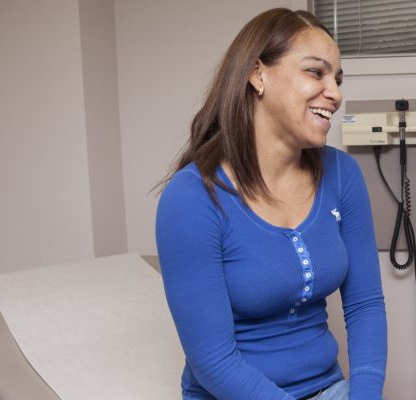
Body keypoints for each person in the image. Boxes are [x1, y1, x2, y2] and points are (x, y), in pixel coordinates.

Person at [155, 8, 387, 400]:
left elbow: (365, 305)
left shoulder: (343, 175)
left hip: (327, 388)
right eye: (316, 72)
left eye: (338, 78)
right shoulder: (193, 198)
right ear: (257, 74)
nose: (335, 92)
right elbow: (213, 361)